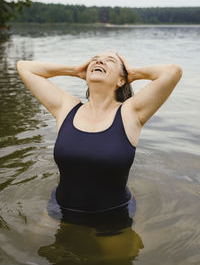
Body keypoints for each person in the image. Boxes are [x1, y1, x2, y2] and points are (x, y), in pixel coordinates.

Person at [16, 51, 182, 233]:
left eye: (109, 60)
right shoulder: (66, 107)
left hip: (113, 216)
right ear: (85, 77)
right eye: (94, 59)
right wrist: (74, 70)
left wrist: (133, 73)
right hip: (61, 209)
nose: (99, 60)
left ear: (120, 81)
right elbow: (25, 67)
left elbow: (172, 72)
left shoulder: (131, 112)